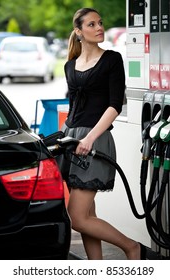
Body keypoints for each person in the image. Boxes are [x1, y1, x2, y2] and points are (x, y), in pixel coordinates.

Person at [62, 7, 146, 260]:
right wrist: (64, 136)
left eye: (100, 22)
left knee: (77, 218)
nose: (99, 27)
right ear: (78, 31)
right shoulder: (69, 65)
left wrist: (89, 138)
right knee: (88, 216)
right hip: (72, 140)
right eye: (91, 24)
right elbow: (74, 107)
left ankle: (132, 247)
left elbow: (114, 105)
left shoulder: (112, 59)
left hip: (95, 140)